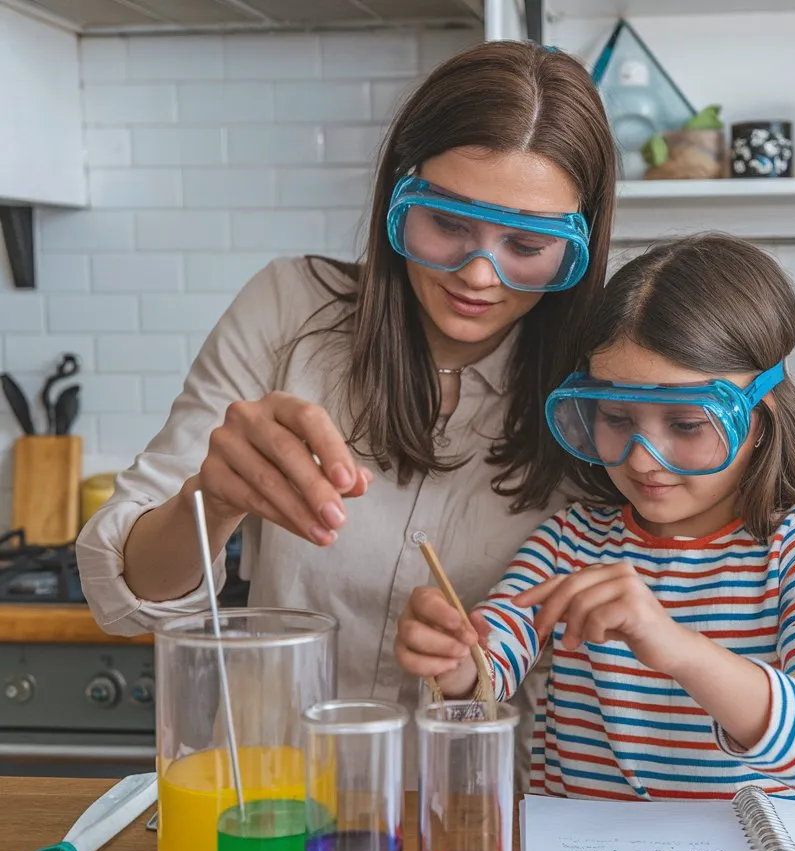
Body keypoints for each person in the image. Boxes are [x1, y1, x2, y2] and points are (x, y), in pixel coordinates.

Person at [76, 41, 617, 782]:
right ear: (398, 196)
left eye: (528, 243)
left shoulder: (602, 387)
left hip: (478, 823)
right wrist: (214, 498)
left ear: (581, 241)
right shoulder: (288, 309)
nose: (479, 273)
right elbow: (126, 601)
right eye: (447, 224)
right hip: (281, 805)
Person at [395, 234, 795, 801]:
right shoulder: (571, 540)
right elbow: (487, 672)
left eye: (686, 425)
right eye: (617, 418)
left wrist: (674, 647)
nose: (644, 459)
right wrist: (454, 659)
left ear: (761, 418)